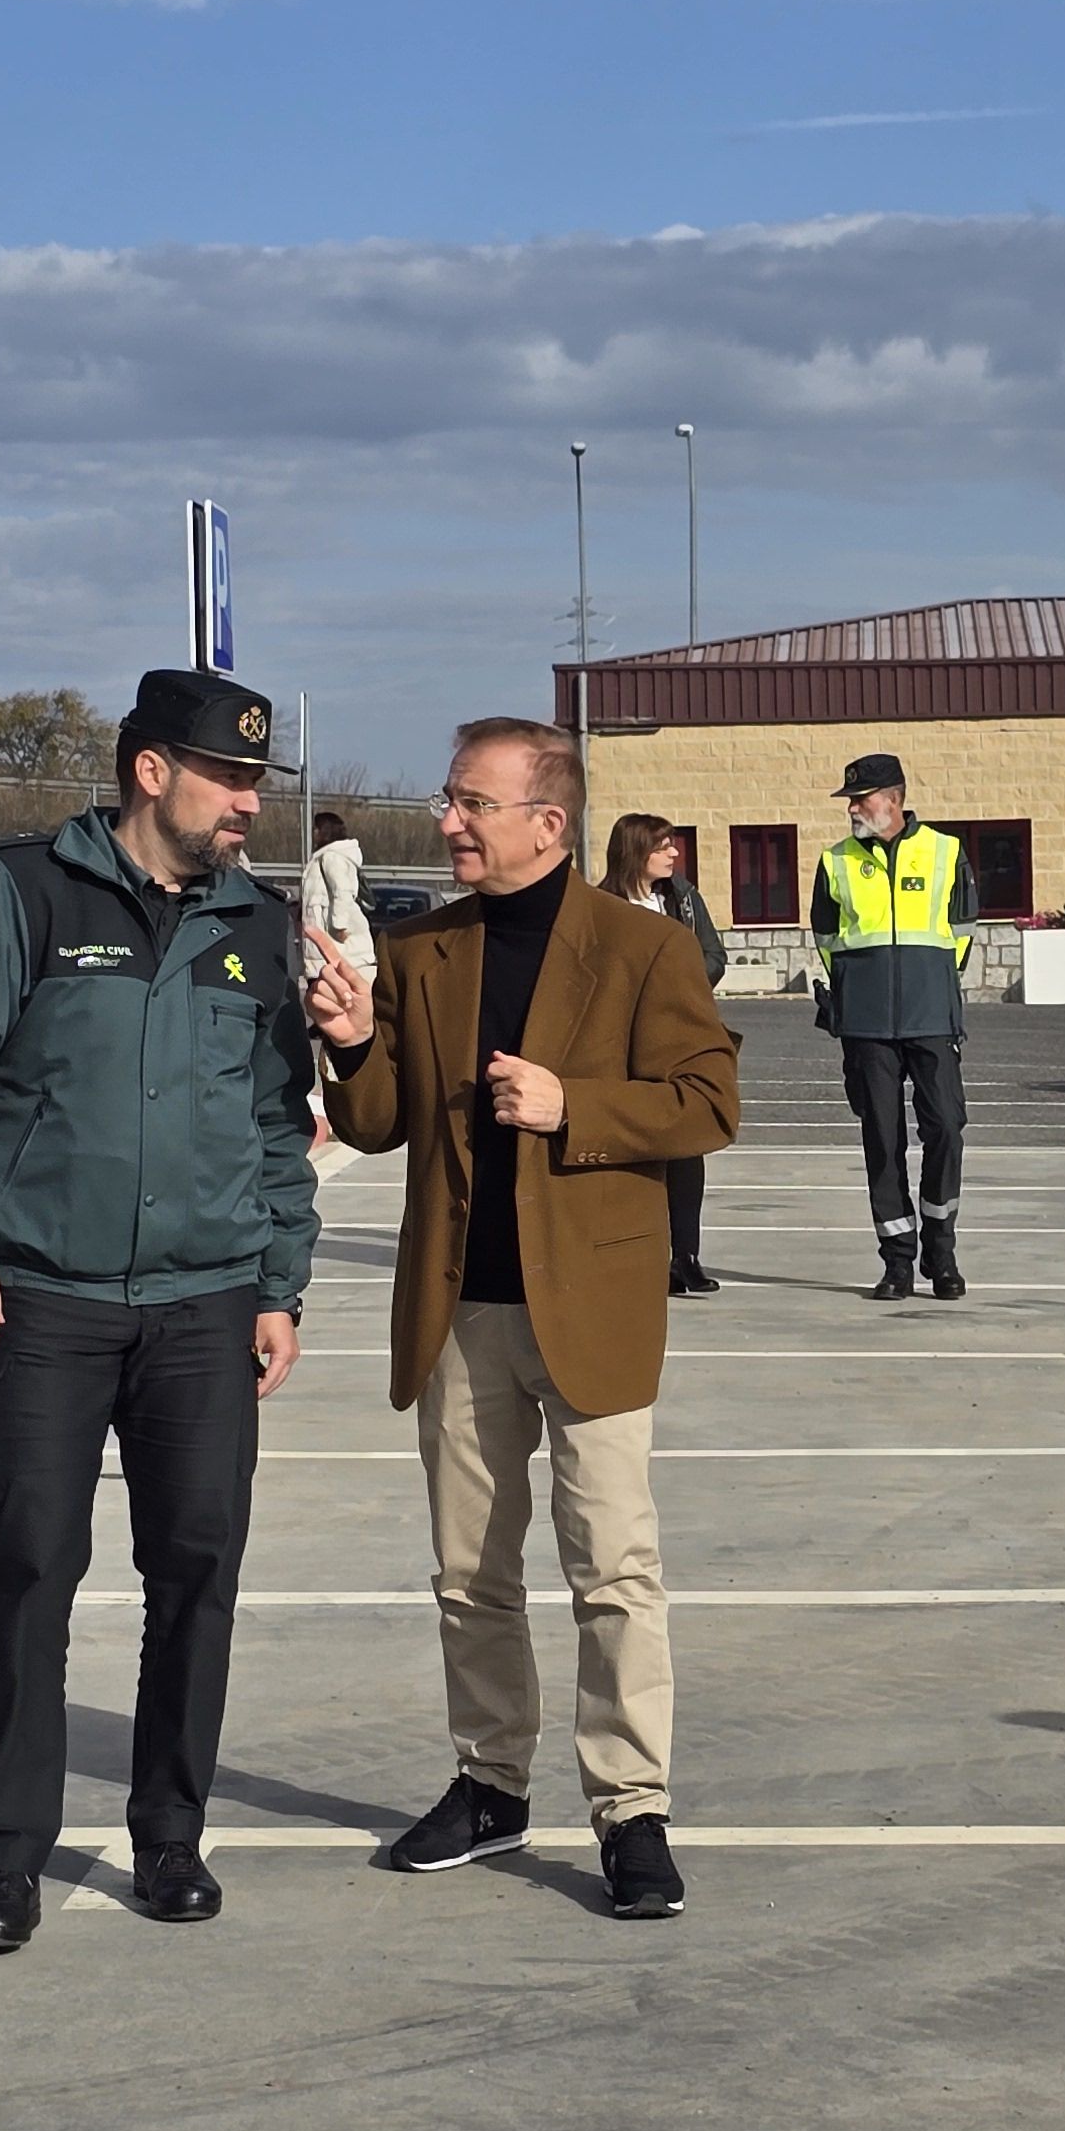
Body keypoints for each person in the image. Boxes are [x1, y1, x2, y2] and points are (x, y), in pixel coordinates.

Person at [0, 668, 319, 1959]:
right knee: (25, 1575)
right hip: (40, 1305)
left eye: (255, 782)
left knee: (197, 1572)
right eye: (229, 780)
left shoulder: (257, 924)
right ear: (151, 771)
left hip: (204, 1310)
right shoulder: (24, 893)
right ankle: (6, 1860)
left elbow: (277, 1120)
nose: (248, 804)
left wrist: (278, 1278)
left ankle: (170, 1837)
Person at [303, 717, 738, 1919]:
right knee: (468, 1574)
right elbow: (385, 1119)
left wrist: (572, 1104)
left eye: (469, 804)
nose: (447, 821)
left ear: (546, 823)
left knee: (613, 1570)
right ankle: (490, 1786)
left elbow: (709, 1100)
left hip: (588, 1304)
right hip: (460, 1307)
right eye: (448, 800)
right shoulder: (424, 945)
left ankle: (631, 1807)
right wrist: (348, 1042)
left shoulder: (642, 948)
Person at [806, 754, 976, 1300]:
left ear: (895, 798)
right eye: (852, 801)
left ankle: (941, 1252)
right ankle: (898, 1261)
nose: (854, 808)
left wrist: (936, 985)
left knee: (947, 1127)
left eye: (862, 798)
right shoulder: (835, 862)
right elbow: (828, 939)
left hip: (931, 1016)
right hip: (866, 1024)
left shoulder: (946, 851)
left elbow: (963, 928)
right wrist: (854, 996)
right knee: (882, 1140)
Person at [599, 812, 730, 1295]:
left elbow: (714, 955)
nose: (675, 854)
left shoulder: (684, 899)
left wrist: (682, 985)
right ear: (635, 851)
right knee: (630, 1147)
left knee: (686, 1144)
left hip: (681, 1038)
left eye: (674, 845)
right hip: (621, 1043)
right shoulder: (602, 904)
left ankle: (686, 1257)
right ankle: (631, 1254)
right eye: (663, 846)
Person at [304, 809, 376, 982]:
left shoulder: (331, 856)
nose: (313, 832)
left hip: (335, 937)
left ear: (325, 831)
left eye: (316, 828)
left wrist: (339, 925)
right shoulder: (325, 856)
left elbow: (342, 891)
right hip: (326, 935)